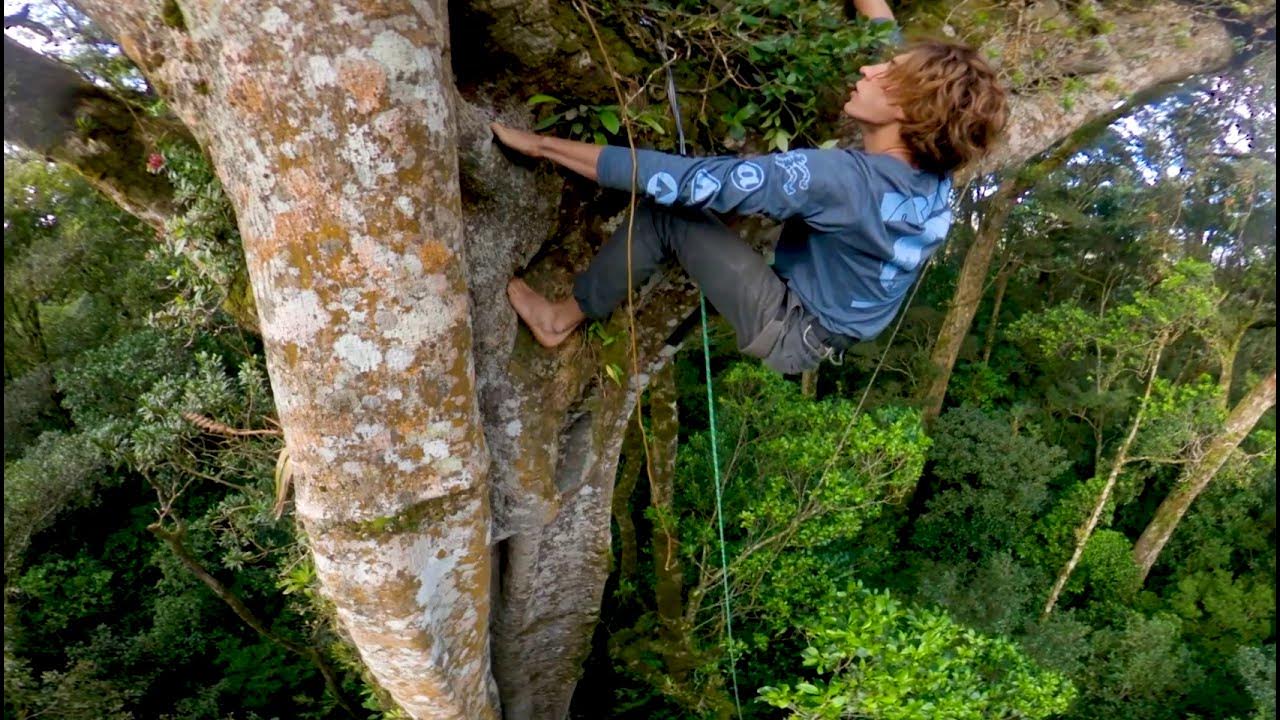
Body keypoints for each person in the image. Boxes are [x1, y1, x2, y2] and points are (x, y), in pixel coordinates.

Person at [490, 0, 1007, 373]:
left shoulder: (838, 180)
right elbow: (887, 35)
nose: (868, 68)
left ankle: (559, 320)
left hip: (796, 330)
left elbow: (684, 183)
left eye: (885, 74)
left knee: (668, 214)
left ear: (909, 111)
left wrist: (541, 146)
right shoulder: (936, 160)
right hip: (844, 322)